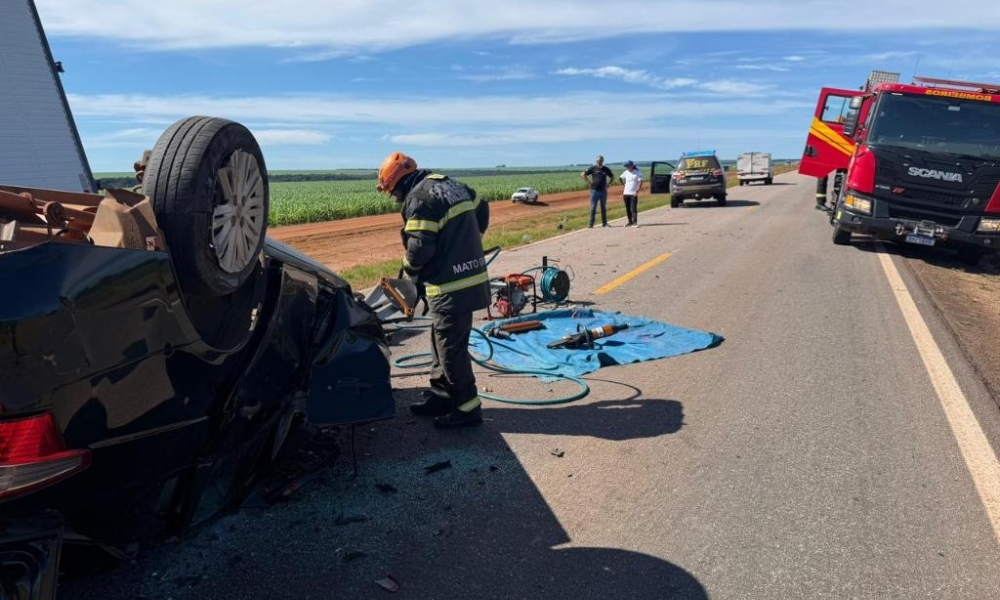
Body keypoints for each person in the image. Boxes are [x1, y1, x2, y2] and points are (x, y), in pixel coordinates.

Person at [376, 151, 491, 429]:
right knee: (440, 341)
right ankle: (441, 396)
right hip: (467, 278)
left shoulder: (418, 198)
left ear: (401, 182)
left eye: (394, 193)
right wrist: (465, 243)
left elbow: (418, 249)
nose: (397, 199)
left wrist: (408, 273)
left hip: (451, 286)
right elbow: (482, 209)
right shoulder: (452, 185)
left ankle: (467, 409)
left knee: (451, 350)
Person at [581, 155, 615, 228]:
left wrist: (609, 184)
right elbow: (583, 174)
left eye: (600, 161)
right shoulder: (592, 168)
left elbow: (612, 177)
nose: (598, 162)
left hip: (603, 191)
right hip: (594, 191)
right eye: (597, 161)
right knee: (593, 207)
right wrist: (589, 182)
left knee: (603, 207)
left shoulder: (606, 169)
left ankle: (604, 223)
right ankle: (591, 224)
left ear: (602, 161)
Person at [619, 160, 643, 227]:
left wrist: (637, 191)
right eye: (626, 166)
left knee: (633, 208)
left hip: (633, 193)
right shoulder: (625, 172)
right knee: (627, 208)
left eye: (628, 166)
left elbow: (641, 182)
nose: (627, 167)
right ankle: (630, 221)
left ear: (632, 165)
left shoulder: (637, 172)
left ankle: (635, 222)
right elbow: (620, 178)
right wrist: (623, 184)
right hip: (626, 193)